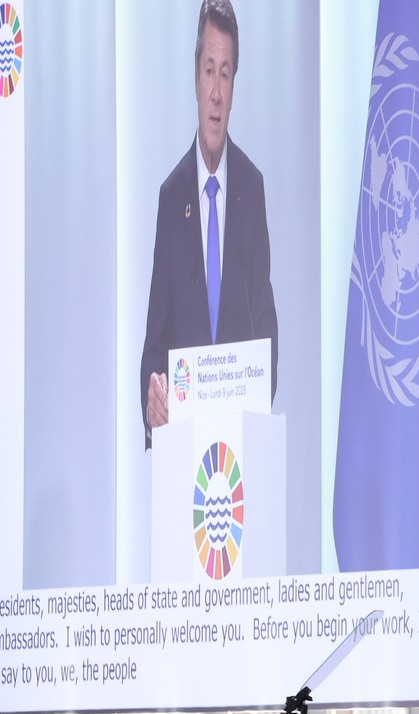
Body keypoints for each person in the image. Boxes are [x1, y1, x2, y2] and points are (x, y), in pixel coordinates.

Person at [139, 0, 279, 449]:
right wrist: (153, 403)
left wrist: (253, 405)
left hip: (239, 451)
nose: (216, 93)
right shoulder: (171, 197)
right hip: (185, 450)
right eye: (208, 71)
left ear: (234, 85)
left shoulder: (252, 190)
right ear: (195, 79)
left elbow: (266, 331)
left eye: (226, 73)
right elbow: (155, 345)